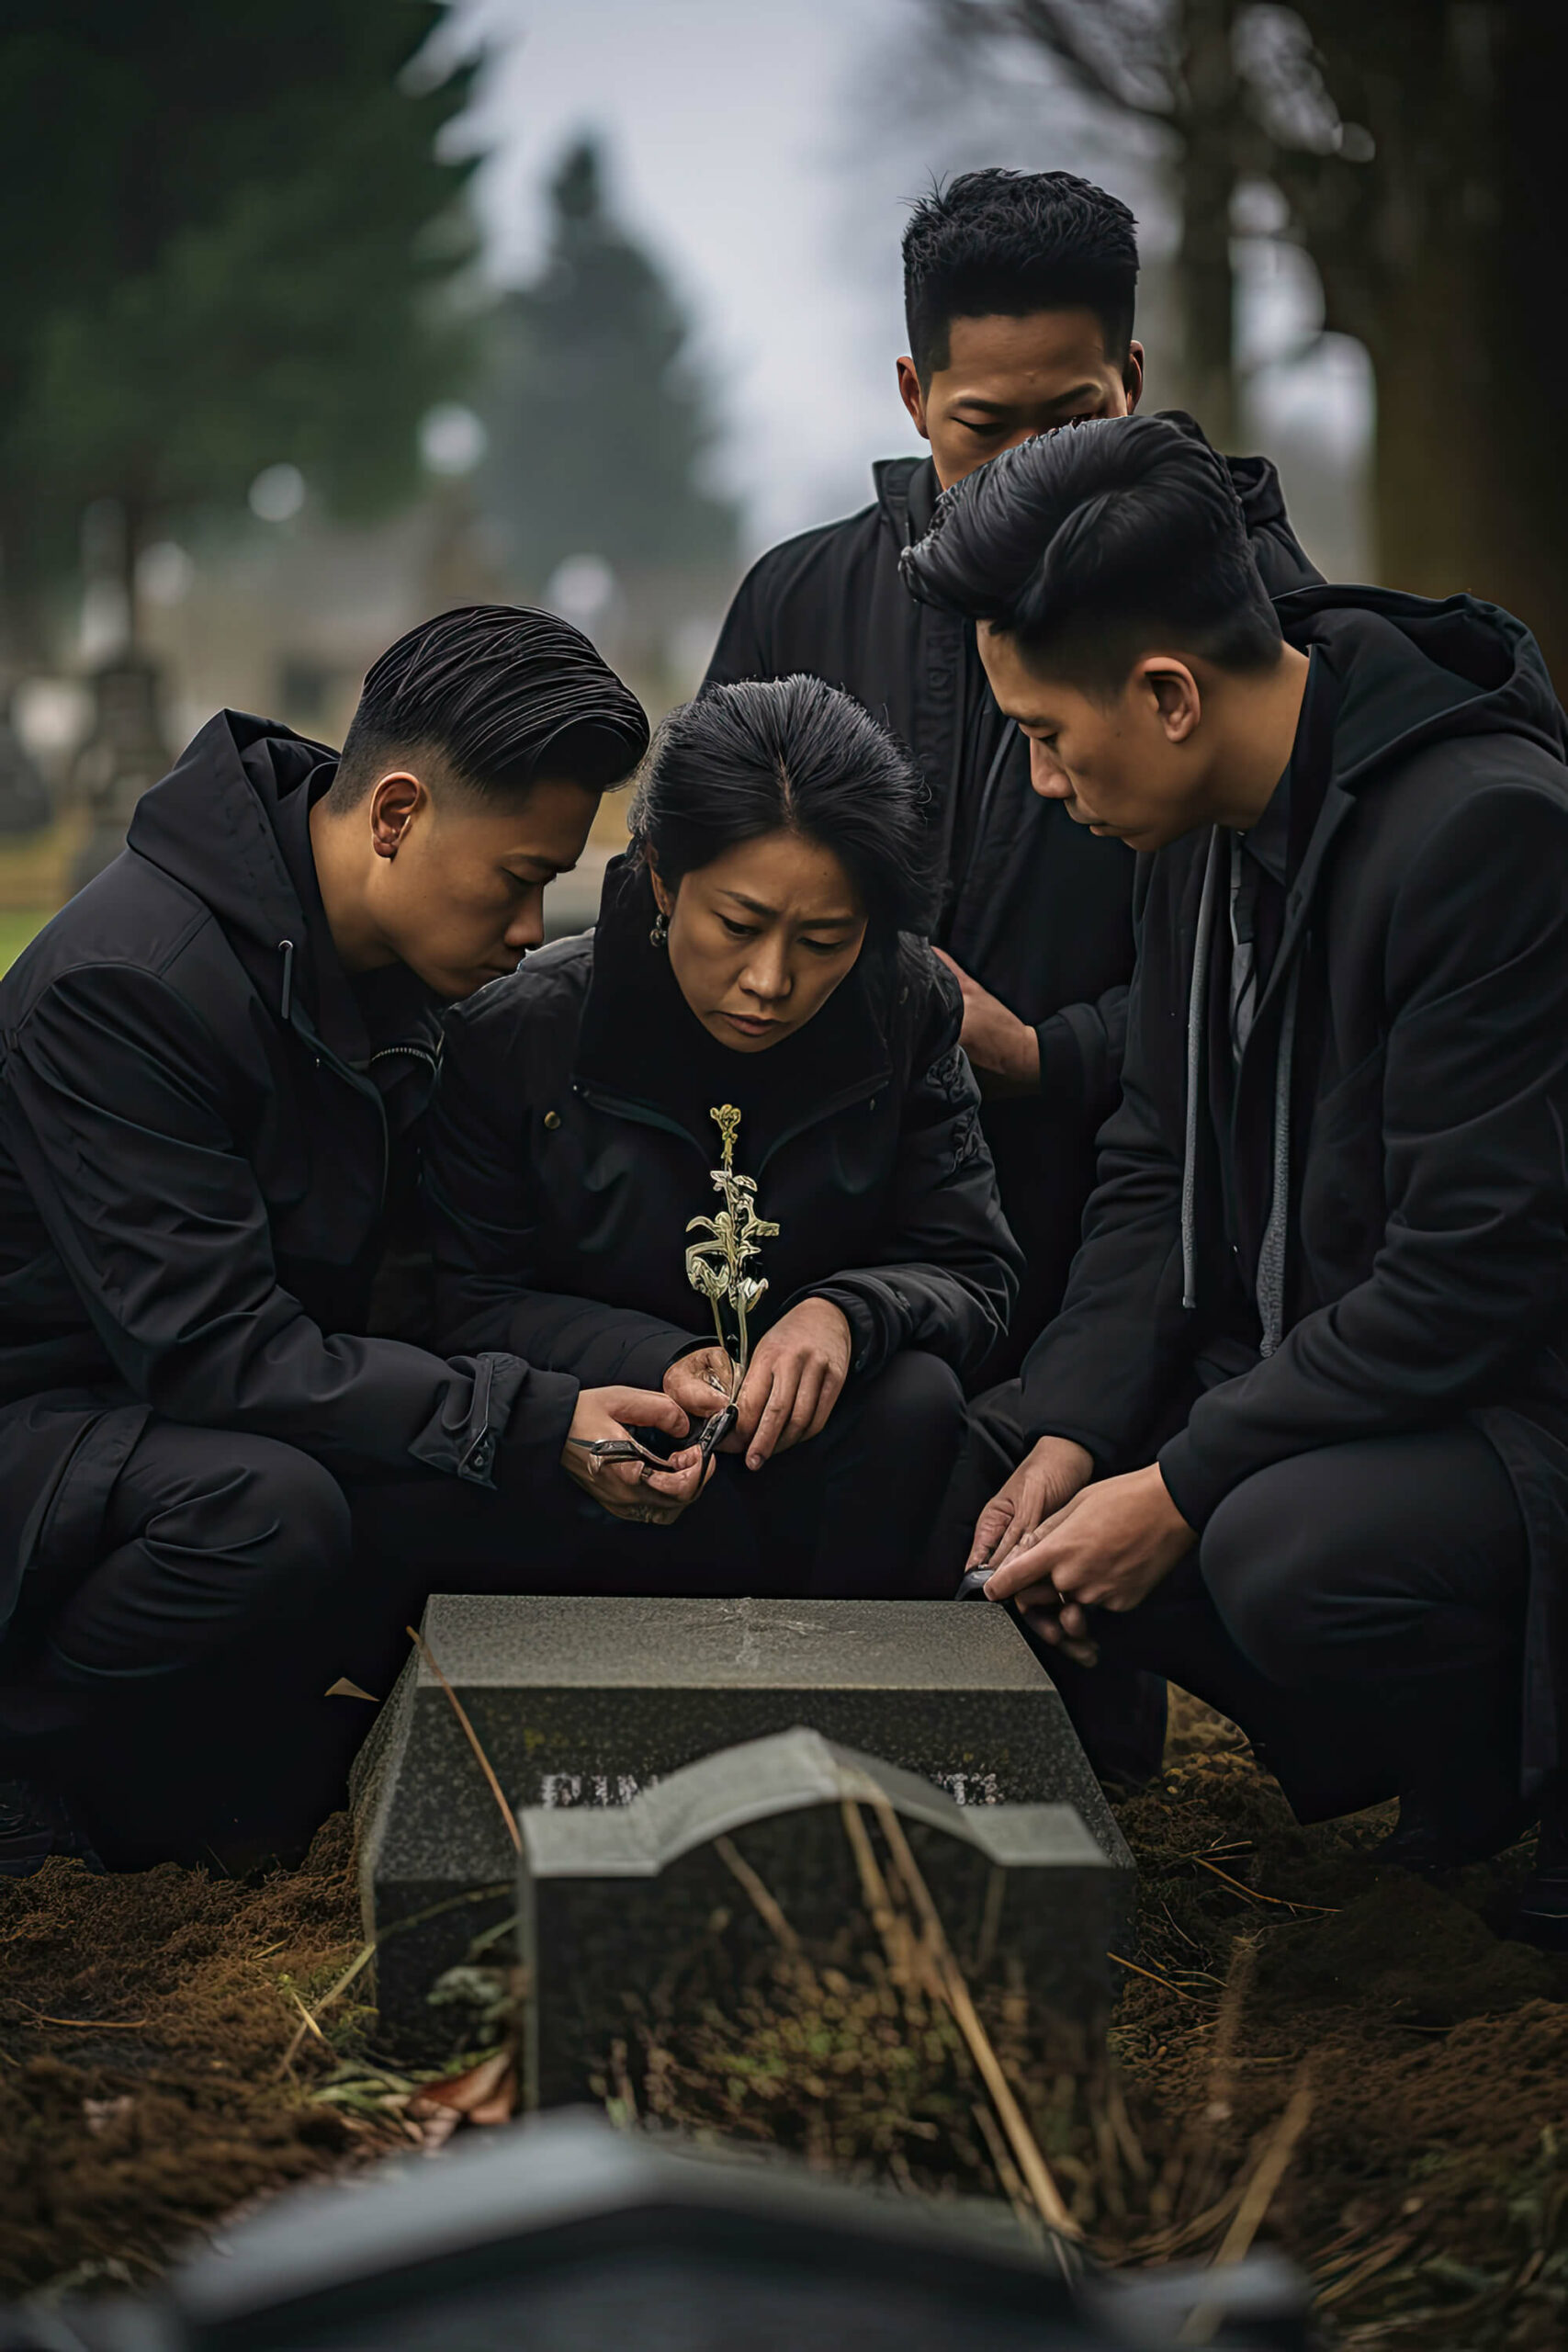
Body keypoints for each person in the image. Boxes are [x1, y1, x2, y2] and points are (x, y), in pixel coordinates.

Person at [904, 413, 1568, 1937]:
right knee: (992, 1467)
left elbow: (1475, 1276)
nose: (1044, 784)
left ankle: (1519, 1774)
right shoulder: (1194, 827)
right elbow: (1150, 1156)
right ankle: (1448, 1777)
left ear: (1167, 693)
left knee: (1275, 1549)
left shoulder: (1484, 836)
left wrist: (1185, 1481)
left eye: (1046, 736)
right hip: (1330, 1376)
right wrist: (1075, 1427)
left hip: (1505, 1397)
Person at [0, 605, 711, 1873]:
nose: (525, 927)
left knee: (516, 1496)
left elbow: (423, 1291)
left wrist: (629, 1372)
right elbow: (215, 1353)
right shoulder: (131, 988)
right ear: (394, 815)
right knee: (269, 1516)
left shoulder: (381, 968)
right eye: (518, 880)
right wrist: (528, 1417)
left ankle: (188, 1760)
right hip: (54, 1434)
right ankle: (31, 1748)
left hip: (189, 1416)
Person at [705, 168, 1320, 1366]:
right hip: (849, 1253)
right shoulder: (795, 603)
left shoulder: (1260, 616)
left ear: (1131, 382)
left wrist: (1048, 1055)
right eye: (983, 429)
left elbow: (1304, 963)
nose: (1032, 473)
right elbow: (682, 897)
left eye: (1073, 420)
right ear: (912, 393)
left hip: (1159, 1253)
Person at [423, 674, 1021, 1600]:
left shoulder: (904, 1003)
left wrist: (848, 1314)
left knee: (917, 1399)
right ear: (663, 874)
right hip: (609, 1440)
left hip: (821, 1454)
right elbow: (461, 1298)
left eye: (826, 939)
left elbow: (973, 1270)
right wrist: (647, 1357)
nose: (771, 981)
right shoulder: (522, 1031)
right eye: (738, 926)